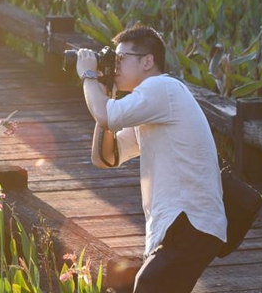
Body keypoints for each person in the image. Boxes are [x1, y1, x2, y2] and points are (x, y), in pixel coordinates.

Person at [76, 24, 227, 293]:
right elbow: (106, 158)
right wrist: (106, 92)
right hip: (180, 225)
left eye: (121, 59)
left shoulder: (163, 87)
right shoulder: (149, 104)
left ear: (148, 61)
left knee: (149, 286)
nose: (115, 66)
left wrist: (88, 75)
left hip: (189, 220)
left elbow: (106, 115)